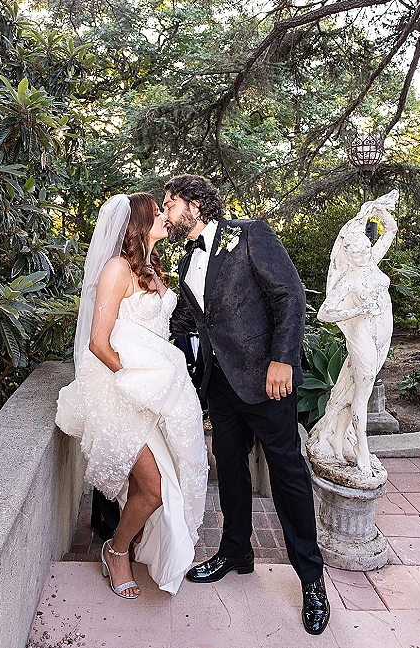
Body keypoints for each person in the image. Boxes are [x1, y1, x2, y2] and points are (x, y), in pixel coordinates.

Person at [164, 175, 329, 636]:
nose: (168, 211)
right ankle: (236, 549)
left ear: (196, 203)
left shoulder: (251, 233)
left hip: (267, 378)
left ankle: (312, 580)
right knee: (230, 468)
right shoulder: (185, 260)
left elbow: (289, 296)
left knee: (287, 474)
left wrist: (283, 360)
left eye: (171, 202)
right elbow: (192, 319)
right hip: (221, 386)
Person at [56, 193, 208, 598]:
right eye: (156, 211)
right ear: (137, 223)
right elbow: (98, 343)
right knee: (155, 486)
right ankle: (116, 550)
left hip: (155, 395)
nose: (163, 214)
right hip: (121, 393)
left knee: (164, 483)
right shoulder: (116, 268)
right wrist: (141, 381)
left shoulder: (153, 268)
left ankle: (129, 541)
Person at [306, 192, 398, 477]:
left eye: (364, 250)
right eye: (355, 253)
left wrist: (375, 210)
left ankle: (340, 435)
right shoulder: (349, 279)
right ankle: (361, 451)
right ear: (347, 254)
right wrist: (356, 311)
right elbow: (324, 313)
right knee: (362, 394)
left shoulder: (372, 262)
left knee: (353, 390)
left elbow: (391, 230)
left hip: (382, 336)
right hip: (361, 337)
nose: (361, 255)